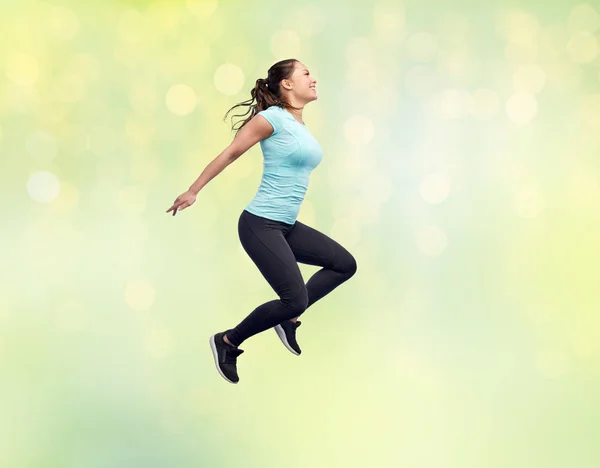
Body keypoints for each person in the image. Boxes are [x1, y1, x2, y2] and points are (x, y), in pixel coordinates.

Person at [166, 59, 357, 384]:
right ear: (286, 83)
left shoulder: (299, 126)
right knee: (293, 296)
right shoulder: (270, 119)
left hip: (285, 226)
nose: (313, 79)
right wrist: (193, 190)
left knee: (344, 265)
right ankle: (227, 341)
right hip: (260, 224)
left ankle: (289, 319)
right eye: (306, 74)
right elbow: (230, 153)